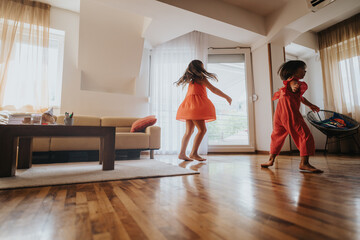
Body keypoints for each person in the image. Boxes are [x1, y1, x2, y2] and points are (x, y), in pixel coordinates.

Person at [261, 60, 323, 173]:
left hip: (279, 114)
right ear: (294, 71)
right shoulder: (293, 81)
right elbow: (293, 85)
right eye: (303, 69)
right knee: (305, 135)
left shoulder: (291, 83)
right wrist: (295, 86)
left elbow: (300, 97)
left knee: (276, 135)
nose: (305, 71)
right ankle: (304, 163)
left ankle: (270, 160)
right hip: (290, 114)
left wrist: (310, 105)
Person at [176, 60, 232, 161]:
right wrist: (226, 96)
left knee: (189, 131)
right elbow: (213, 89)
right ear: (200, 68)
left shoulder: (191, 79)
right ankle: (193, 153)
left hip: (187, 106)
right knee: (202, 130)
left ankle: (182, 153)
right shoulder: (201, 78)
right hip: (196, 106)